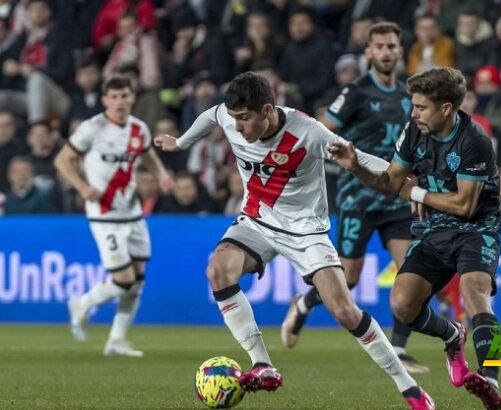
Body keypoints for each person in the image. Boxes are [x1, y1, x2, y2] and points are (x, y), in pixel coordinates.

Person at [154, 72, 434, 409]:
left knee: (345, 311)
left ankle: (411, 390)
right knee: (217, 271)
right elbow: (211, 115)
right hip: (257, 222)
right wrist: (181, 142)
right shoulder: (230, 118)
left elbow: (356, 157)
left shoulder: (307, 132)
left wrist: (403, 179)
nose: (238, 127)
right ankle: (262, 363)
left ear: (268, 110)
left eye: (245, 119)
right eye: (235, 119)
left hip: (306, 232)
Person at [329, 67, 501, 410]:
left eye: (421, 107)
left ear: (446, 109)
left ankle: (490, 379)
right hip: (434, 228)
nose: (413, 114)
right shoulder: (414, 131)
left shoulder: (474, 140)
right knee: (402, 305)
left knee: (474, 292)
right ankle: (452, 335)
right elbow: (392, 182)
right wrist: (355, 167)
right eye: (413, 106)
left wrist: (419, 193)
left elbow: (466, 205)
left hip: (477, 228)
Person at [280, 21, 428, 374]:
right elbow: (321, 131)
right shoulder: (356, 92)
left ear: (399, 50)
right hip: (357, 197)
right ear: (368, 52)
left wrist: (417, 182)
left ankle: (399, 349)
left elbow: (414, 144)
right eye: (379, 47)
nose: (386, 53)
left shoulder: (410, 96)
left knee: (412, 273)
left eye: (392, 46)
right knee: (347, 279)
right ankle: (303, 304)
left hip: (394, 197)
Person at [54, 75, 173, 356]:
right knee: (123, 279)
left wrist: (162, 174)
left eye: (124, 96)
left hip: (132, 213)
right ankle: (82, 304)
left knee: (137, 281)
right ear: (105, 99)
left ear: (132, 97)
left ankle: (116, 340)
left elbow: (147, 155)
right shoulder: (92, 128)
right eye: (114, 97)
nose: (120, 102)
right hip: (104, 214)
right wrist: (82, 187)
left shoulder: (139, 129)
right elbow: (62, 160)